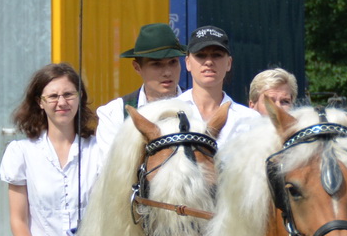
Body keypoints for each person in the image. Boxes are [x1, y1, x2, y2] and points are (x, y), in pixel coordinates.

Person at [0, 63, 102, 236]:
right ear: (40, 103)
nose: (62, 102)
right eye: (53, 96)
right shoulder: (22, 153)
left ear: (80, 98)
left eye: (69, 94)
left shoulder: (99, 149)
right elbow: (18, 220)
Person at [93, 23, 257, 160]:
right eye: (156, 64)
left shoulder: (247, 118)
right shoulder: (114, 113)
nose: (167, 72)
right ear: (137, 67)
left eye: (172, 62)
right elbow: (111, 171)